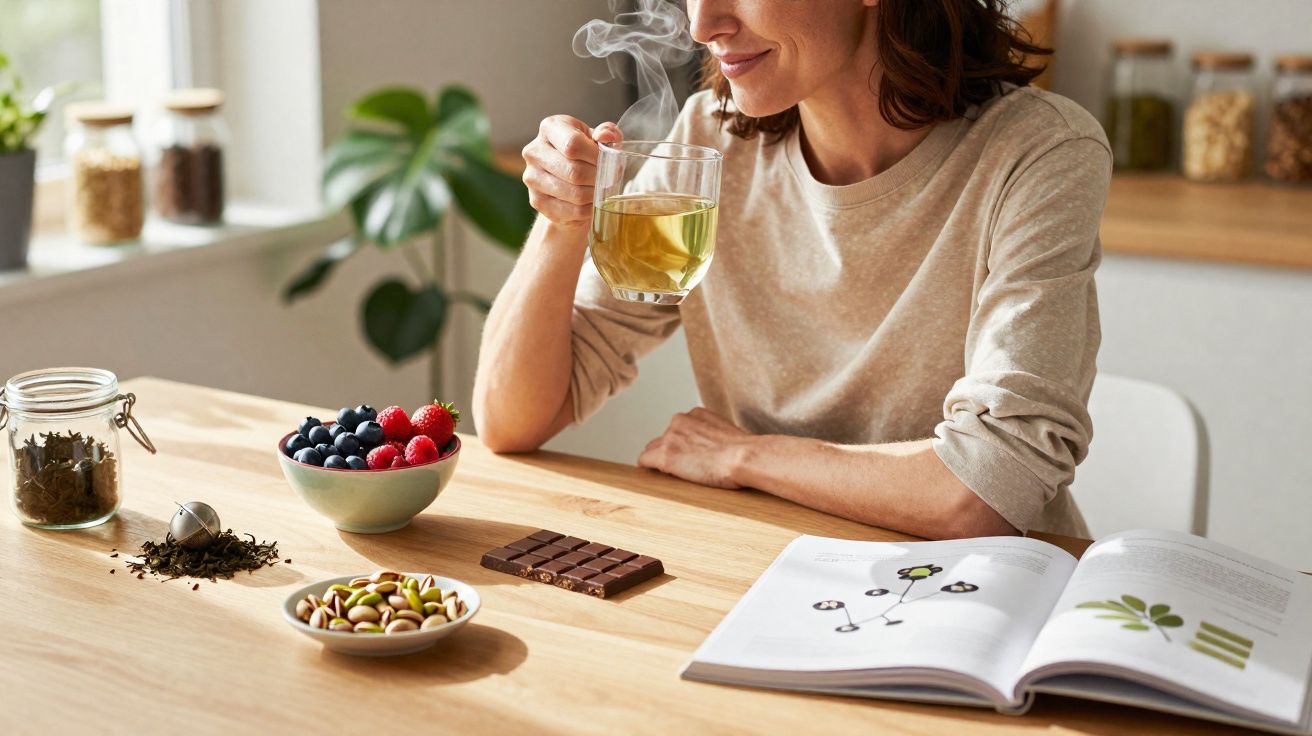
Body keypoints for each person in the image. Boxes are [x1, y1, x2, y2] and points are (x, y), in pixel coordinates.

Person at [473, 0, 1110, 540]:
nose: (703, 23)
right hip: (772, 563)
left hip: (980, 597)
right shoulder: (709, 140)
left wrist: (745, 456)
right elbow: (512, 418)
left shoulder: (1037, 153)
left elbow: (989, 492)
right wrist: (563, 221)